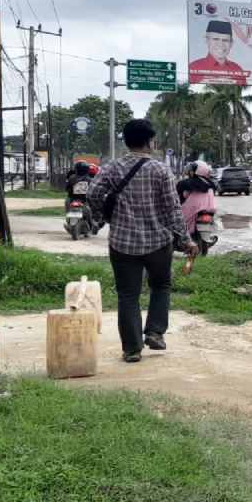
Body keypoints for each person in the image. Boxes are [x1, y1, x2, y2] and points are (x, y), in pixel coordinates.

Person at [87, 119, 196, 363]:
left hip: (122, 243)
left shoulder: (113, 167)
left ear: (126, 141)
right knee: (161, 286)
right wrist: (185, 239)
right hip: (158, 242)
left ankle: (132, 349)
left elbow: (93, 193)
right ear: (149, 141)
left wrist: (103, 215)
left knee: (128, 295)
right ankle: (155, 332)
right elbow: (173, 210)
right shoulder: (160, 170)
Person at [189, 20, 249, 84]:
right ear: (206, 40)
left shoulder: (237, 69)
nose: (220, 44)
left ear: (231, 43)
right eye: (215, 39)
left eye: (225, 40)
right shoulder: (193, 67)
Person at [178, 162, 218, 238]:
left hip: (193, 212)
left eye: (191, 170)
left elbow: (180, 196)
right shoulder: (211, 184)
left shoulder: (186, 183)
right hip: (209, 211)